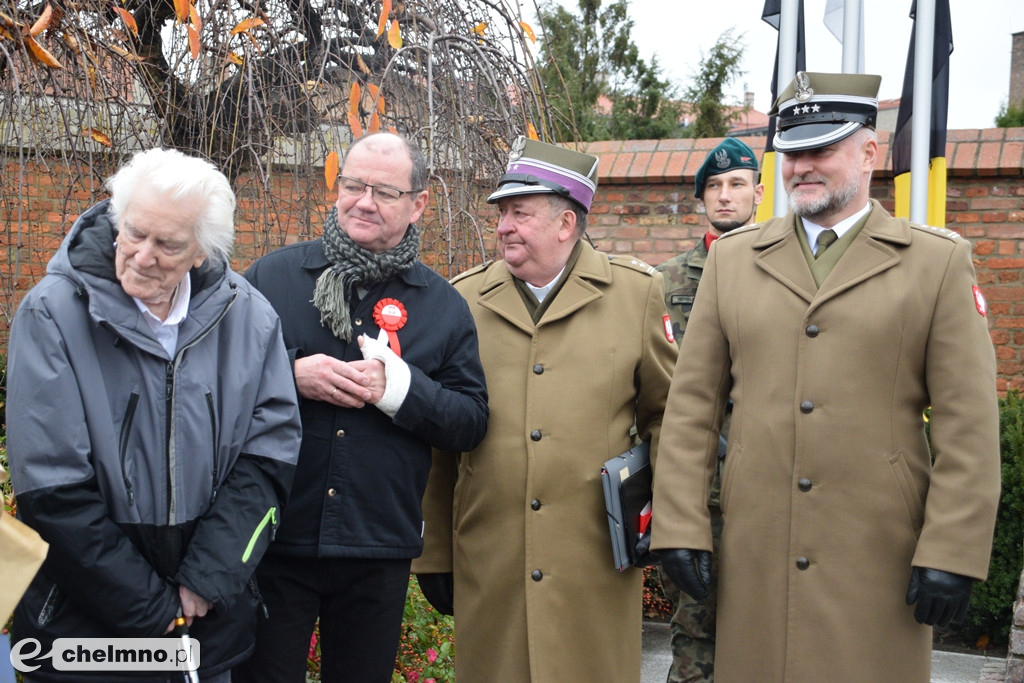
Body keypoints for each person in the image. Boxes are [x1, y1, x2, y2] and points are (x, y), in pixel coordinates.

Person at [651, 71, 1002, 683]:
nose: (801, 167)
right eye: (791, 152)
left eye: (822, 148)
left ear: (869, 152)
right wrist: (681, 525)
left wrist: (953, 551)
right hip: (756, 550)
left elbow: (968, 424)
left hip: (877, 553)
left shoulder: (935, 262)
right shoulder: (734, 261)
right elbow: (691, 409)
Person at [6, 148, 303, 682]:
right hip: (84, 629)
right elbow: (51, 488)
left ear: (201, 253)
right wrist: (155, 612)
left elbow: (268, 460)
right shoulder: (50, 313)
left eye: (168, 244)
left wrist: (205, 581)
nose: (143, 256)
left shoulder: (251, 318)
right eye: (135, 233)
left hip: (207, 625)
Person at [414, 136, 678, 682]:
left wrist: (668, 528)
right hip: (493, 561)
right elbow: (437, 440)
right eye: (502, 213)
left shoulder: (635, 295)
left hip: (595, 564)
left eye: (520, 213)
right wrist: (434, 552)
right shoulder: (462, 302)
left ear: (566, 223)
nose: (504, 225)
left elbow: (669, 420)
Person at [233, 132, 489, 683]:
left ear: (419, 203)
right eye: (353, 185)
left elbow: (470, 421)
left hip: (378, 545)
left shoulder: (443, 306)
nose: (364, 201)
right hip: (275, 536)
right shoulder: (270, 280)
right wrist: (286, 373)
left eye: (385, 191)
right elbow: (211, 382)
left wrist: (397, 391)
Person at [654, 137, 762, 683]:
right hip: (699, 485)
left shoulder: (780, 274)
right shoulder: (665, 282)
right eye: (713, 187)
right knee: (694, 627)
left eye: (736, 184)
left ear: (759, 194)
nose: (724, 197)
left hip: (766, 480)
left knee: (765, 628)